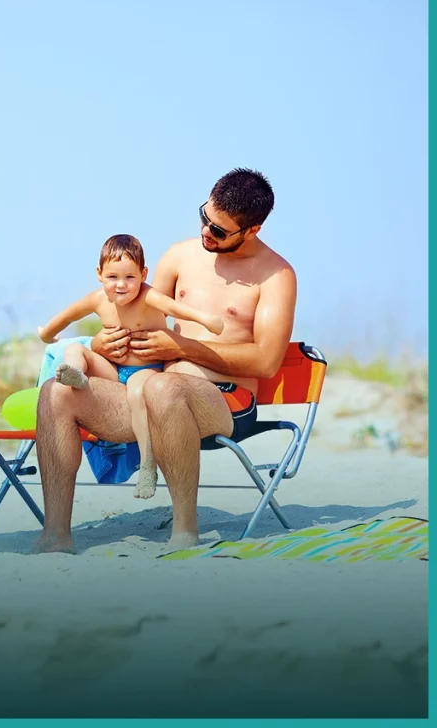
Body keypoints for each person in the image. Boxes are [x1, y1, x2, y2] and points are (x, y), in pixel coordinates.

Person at [33, 168, 297, 553]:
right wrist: (107, 346)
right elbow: (136, 314)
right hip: (148, 386)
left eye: (220, 231)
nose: (206, 231)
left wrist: (180, 347)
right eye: (204, 217)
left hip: (225, 399)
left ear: (252, 230)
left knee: (164, 386)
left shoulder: (276, 276)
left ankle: (185, 532)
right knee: (56, 393)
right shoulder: (180, 256)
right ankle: (55, 536)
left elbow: (266, 362)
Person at [36, 234, 224, 500]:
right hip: (113, 370)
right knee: (74, 349)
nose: (121, 285)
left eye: (130, 278)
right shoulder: (98, 299)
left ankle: (148, 465)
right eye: (113, 277)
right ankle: (76, 374)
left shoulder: (149, 297)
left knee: (138, 393)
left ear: (143, 274)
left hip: (146, 370)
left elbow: (176, 308)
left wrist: (206, 320)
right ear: (100, 274)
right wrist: (46, 333)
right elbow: (69, 315)